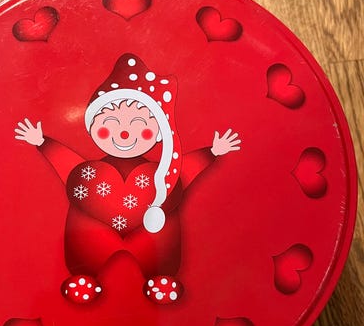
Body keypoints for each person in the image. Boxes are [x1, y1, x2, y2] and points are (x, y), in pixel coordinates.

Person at [15, 54, 241, 304]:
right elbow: (66, 163)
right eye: (110, 123)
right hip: (96, 232)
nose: (124, 134)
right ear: (92, 127)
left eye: (139, 125)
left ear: (158, 133)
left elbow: (185, 169)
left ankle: (161, 277)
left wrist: (212, 152)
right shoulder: (90, 173)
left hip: (149, 236)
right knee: (87, 237)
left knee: (161, 237)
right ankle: (84, 276)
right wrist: (43, 142)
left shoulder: (163, 172)